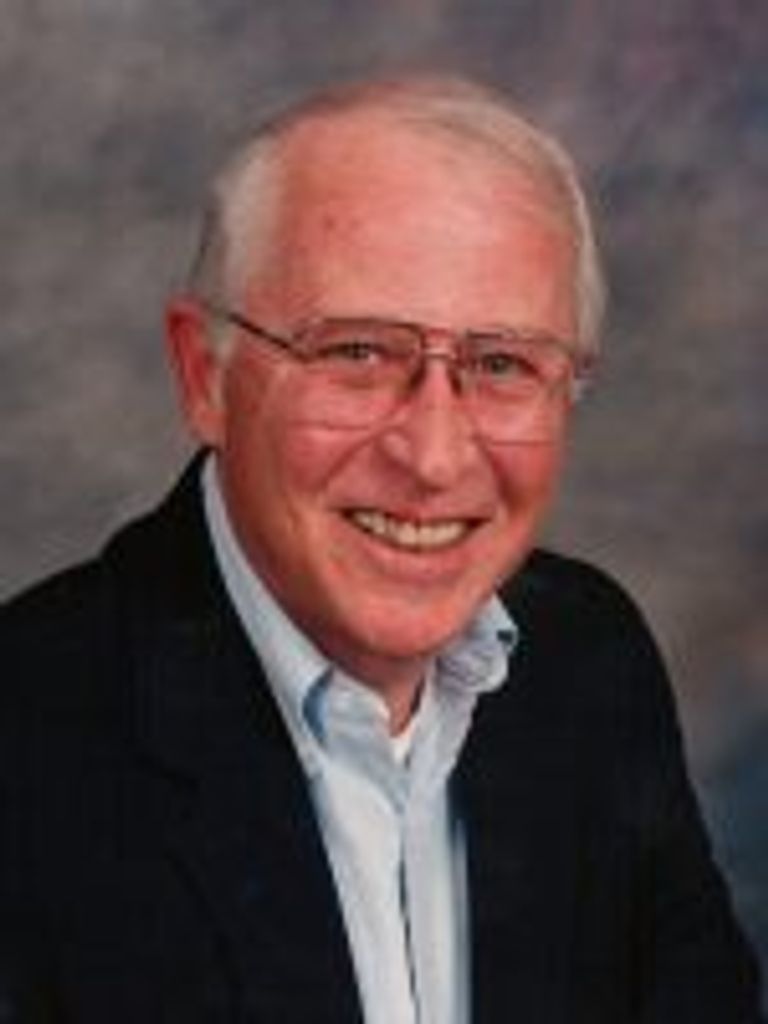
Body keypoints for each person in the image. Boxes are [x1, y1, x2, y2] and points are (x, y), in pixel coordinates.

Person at [0, 74, 763, 1024]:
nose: (435, 457)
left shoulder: (589, 664)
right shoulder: (25, 750)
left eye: (502, 364)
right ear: (205, 376)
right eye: (356, 352)